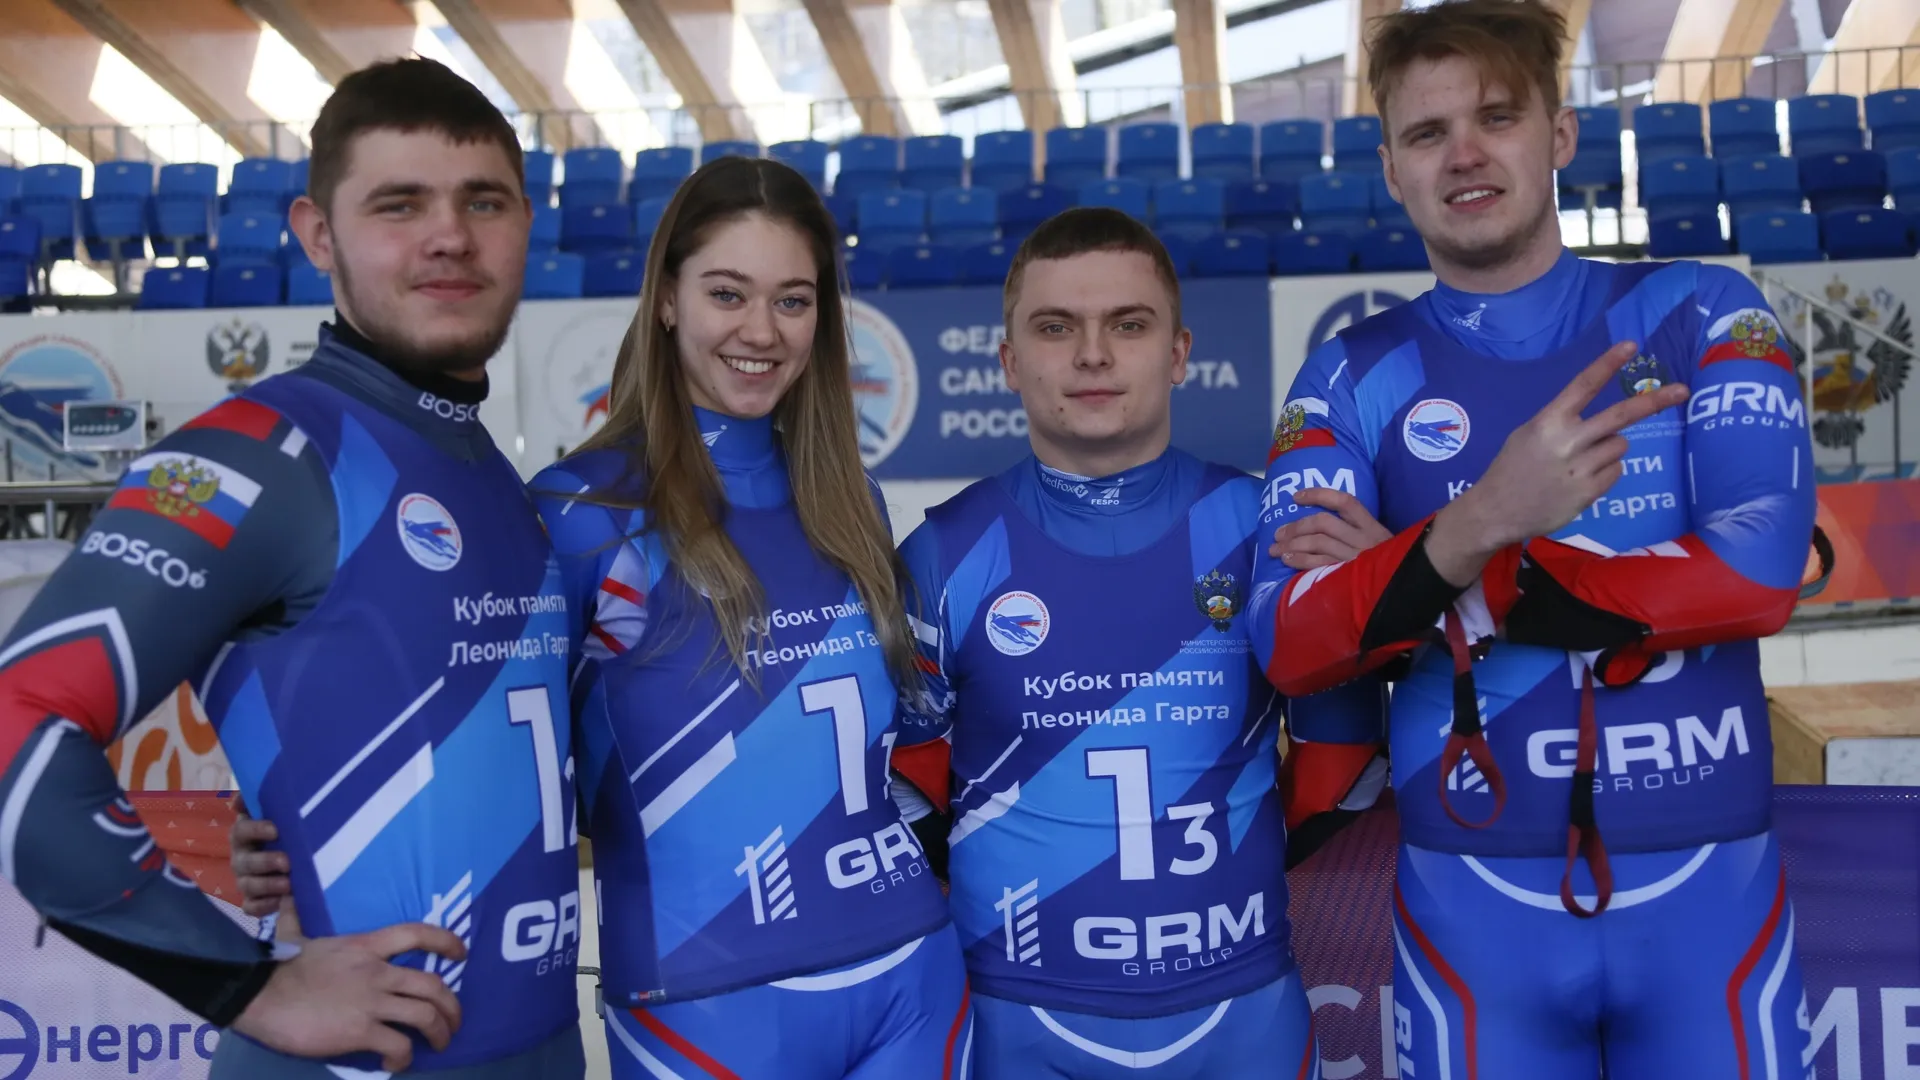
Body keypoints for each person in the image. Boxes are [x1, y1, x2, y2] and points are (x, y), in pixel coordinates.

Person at [1247, 1, 1819, 1076]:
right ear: (1390, 168)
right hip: (1471, 918)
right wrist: (1482, 516)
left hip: (1712, 907)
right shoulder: (1346, 376)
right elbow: (1293, 639)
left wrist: (1433, 568)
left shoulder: (1704, 312)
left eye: (1497, 117)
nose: (1464, 154)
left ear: (1559, 135)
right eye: (1426, 133)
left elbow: (1755, 574)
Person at [0, 58, 586, 1077]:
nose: (450, 235)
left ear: (525, 222)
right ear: (319, 235)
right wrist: (248, 984)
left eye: (482, 200)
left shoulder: (497, 476)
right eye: (400, 204)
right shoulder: (259, 453)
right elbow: (19, 717)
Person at [889, 207, 1376, 1079]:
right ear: (1008, 361)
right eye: (1054, 327)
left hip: (1244, 1016)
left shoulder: (1271, 527)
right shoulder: (940, 555)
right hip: (1017, 1025)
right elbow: (912, 798)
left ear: (1180, 351)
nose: (1092, 354)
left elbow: (1340, 764)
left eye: (1128, 324)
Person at [529, 155, 970, 1078]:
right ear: (666, 299)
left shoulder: (854, 503)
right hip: (700, 1008)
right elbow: (505, 770)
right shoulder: (579, 513)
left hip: (910, 983)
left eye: (793, 301)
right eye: (728, 293)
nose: (761, 331)